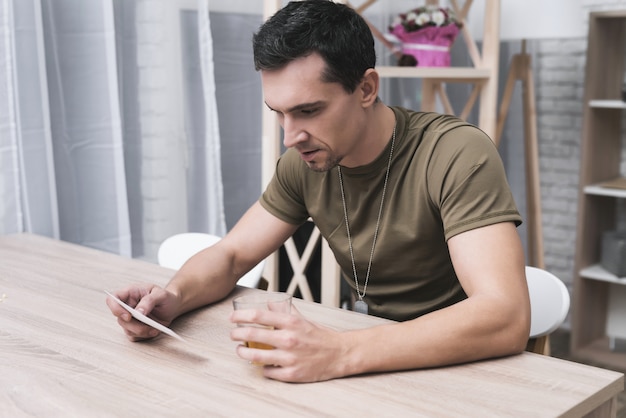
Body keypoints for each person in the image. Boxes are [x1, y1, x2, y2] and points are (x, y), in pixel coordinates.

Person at [106, 0, 530, 383]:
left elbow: (505, 316)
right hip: (372, 361)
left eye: (308, 110)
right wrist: (173, 299)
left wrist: (341, 351)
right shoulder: (305, 162)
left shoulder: (455, 153)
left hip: (464, 367)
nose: (291, 136)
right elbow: (232, 254)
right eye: (279, 113)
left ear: (366, 89)